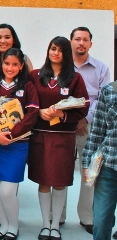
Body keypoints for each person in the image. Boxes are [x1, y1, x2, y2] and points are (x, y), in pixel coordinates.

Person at [27, 36, 89, 240]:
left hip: (63, 138)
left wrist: (62, 115)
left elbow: (83, 106)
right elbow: (26, 102)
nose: (55, 53)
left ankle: (55, 226)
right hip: (41, 137)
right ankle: (45, 224)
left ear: (66, 54)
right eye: (53, 48)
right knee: (43, 182)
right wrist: (39, 112)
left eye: (60, 50)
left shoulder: (75, 78)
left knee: (60, 182)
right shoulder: (36, 75)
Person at [0, 48, 39, 240]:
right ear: (2, 64)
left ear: (21, 66)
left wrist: (11, 133)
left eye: (15, 64)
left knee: (7, 191)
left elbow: (32, 115)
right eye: (7, 63)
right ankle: (3, 225)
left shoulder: (28, 87)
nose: (10, 67)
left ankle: (13, 227)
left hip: (17, 144)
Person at [69, 26, 110, 234]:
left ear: (90, 44)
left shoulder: (101, 68)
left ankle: (86, 216)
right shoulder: (63, 67)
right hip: (65, 126)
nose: (81, 43)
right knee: (61, 171)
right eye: (77, 39)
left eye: (85, 40)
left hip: (89, 127)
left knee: (89, 171)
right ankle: (56, 217)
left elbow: (103, 99)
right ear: (71, 42)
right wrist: (72, 120)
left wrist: (84, 119)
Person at [82, 81, 117, 240]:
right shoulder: (110, 91)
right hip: (109, 165)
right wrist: (86, 162)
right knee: (101, 220)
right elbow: (97, 130)